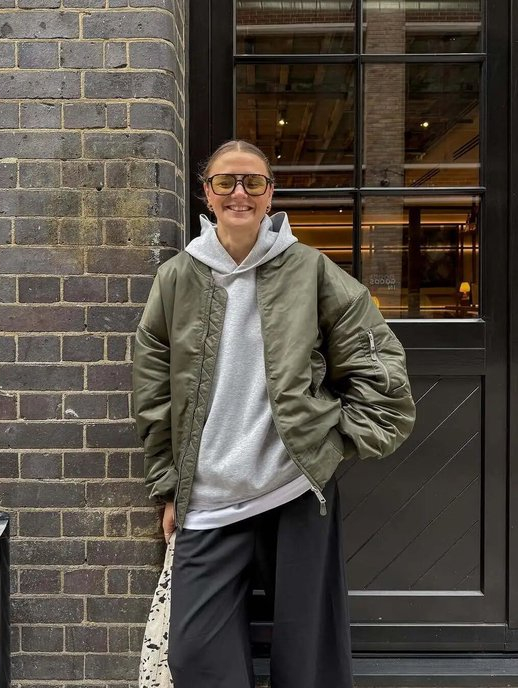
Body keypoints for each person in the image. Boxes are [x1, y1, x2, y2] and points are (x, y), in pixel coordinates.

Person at [133, 140, 416, 688]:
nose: (239, 193)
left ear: (270, 195)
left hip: (293, 488)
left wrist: (334, 440)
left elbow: (375, 355)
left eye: (253, 182)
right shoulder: (177, 278)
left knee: (308, 660)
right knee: (196, 655)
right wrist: (169, 486)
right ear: (207, 194)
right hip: (209, 496)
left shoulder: (310, 269)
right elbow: (153, 392)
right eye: (225, 182)